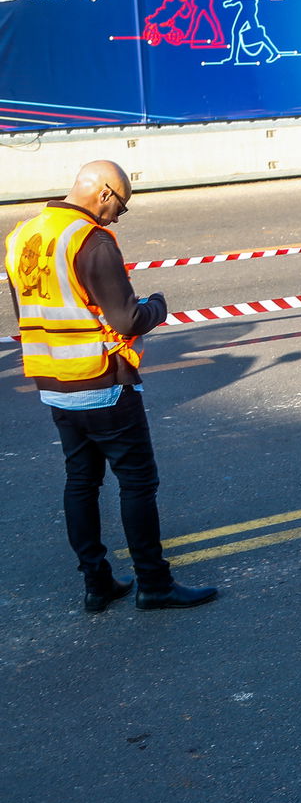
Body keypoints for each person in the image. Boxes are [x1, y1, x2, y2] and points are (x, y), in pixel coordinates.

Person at [4, 161, 217, 612]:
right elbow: (127, 318)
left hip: (53, 383)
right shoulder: (91, 240)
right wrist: (157, 306)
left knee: (80, 482)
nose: (119, 215)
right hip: (102, 383)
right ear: (104, 193)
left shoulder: (23, 235)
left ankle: (97, 583)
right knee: (137, 483)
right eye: (121, 204)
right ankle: (154, 584)